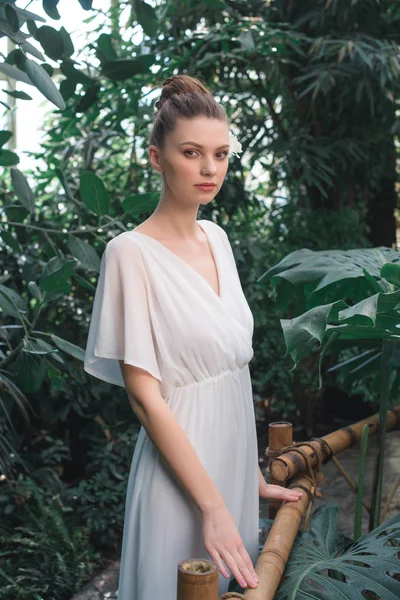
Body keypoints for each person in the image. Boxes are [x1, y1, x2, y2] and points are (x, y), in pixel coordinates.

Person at [84, 74, 302, 600]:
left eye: (222, 154)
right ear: (156, 157)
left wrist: (246, 479)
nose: (210, 169)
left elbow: (230, 370)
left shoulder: (218, 239)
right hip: (181, 485)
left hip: (228, 472)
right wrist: (212, 506)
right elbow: (144, 396)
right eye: (191, 152)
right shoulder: (128, 254)